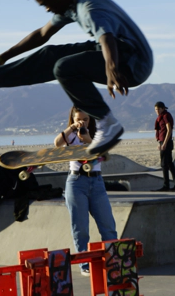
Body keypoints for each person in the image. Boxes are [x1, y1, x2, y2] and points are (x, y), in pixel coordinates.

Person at [0, 0, 153, 156]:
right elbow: (42, 34)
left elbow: (106, 37)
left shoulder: (88, 8)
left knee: (64, 68)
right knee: (50, 55)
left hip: (132, 61)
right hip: (117, 51)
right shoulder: (71, 3)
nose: (48, 9)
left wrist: (112, 67)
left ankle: (107, 123)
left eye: (46, 3)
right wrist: (2, 57)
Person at [54, 106, 118, 276]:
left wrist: (88, 139)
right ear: (73, 119)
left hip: (96, 182)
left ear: (91, 120)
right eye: (79, 119)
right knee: (80, 228)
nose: (83, 122)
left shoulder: (97, 134)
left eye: (86, 119)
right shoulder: (71, 136)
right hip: (76, 182)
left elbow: (105, 152)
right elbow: (57, 143)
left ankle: (113, 260)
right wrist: (72, 128)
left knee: (108, 224)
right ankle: (84, 265)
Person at [154, 102, 175, 192]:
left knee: (164, 164)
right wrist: (159, 142)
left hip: (167, 142)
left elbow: (169, 130)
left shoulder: (166, 116)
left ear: (163, 108)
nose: (157, 111)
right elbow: (161, 131)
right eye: (155, 109)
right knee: (169, 164)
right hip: (163, 141)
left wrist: (164, 143)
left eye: (158, 109)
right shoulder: (160, 117)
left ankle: (166, 185)